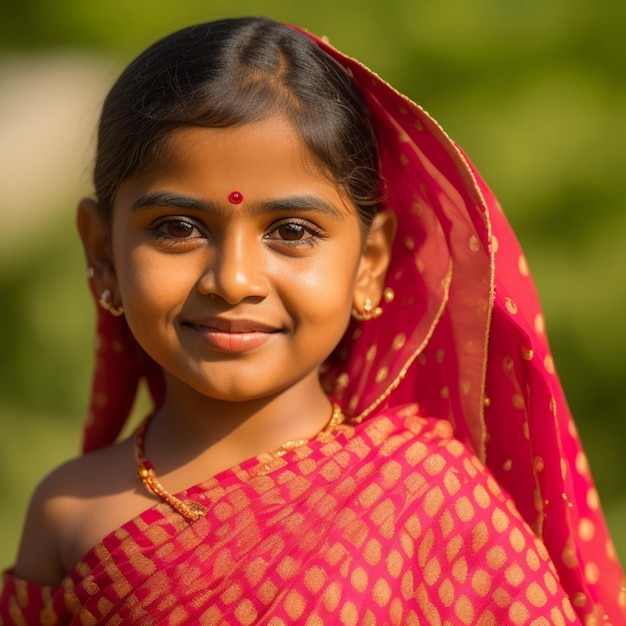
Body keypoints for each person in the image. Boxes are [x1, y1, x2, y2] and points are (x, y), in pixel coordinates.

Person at [1, 16, 623, 625]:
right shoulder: (71, 510)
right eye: (178, 228)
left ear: (368, 265)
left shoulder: (431, 503)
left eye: (292, 231)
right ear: (102, 254)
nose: (234, 279)